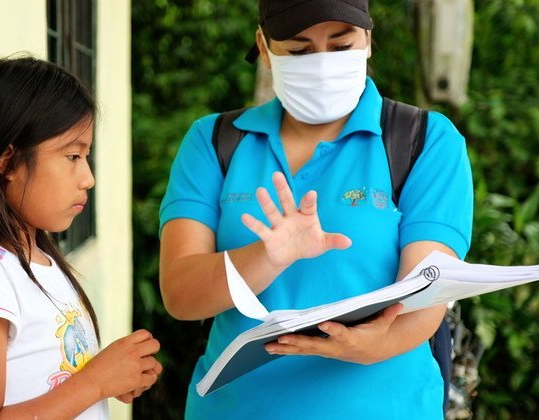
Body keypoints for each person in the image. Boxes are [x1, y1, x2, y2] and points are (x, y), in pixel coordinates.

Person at [158, 0, 473, 418]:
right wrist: (266, 258)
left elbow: (428, 288)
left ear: (368, 41)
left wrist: (376, 344)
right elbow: (181, 295)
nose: (322, 64)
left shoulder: (423, 141)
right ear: (265, 48)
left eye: (341, 46)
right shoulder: (214, 141)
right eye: (299, 51)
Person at [0, 57, 161, 419]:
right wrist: (97, 382)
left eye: (87, 156)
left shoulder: (46, 265)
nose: (87, 178)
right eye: (72, 156)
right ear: (6, 161)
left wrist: (114, 378)